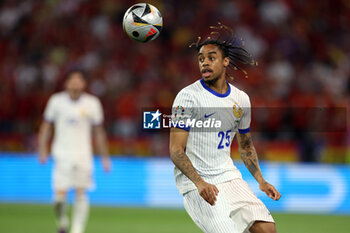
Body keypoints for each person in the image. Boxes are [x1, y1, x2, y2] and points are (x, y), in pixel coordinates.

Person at [169, 24, 281, 233]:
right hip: (198, 181)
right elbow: (176, 150)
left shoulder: (240, 99)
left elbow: (246, 146)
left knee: (267, 229)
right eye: (201, 59)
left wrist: (261, 180)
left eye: (211, 57)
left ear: (225, 62)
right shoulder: (187, 97)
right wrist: (199, 183)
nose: (204, 63)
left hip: (229, 176)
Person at [38, 70, 111, 233]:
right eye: (73, 79)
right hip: (61, 154)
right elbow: (46, 127)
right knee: (58, 199)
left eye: (79, 80)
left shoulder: (92, 103)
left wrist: (105, 157)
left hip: (83, 155)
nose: (76, 83)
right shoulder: (56, 101)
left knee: (81, 192)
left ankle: (77, 230)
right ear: (66, 83)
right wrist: (42, 149)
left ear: (84, 84)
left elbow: (99, 132)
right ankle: (62, 220)